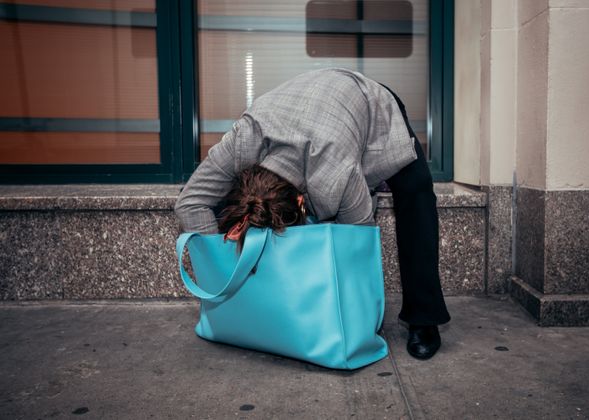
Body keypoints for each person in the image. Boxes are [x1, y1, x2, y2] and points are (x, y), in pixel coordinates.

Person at [175, 68, 451, 360]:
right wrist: (223, 274)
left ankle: (424, 317)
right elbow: (190, 204)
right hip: (301, 107)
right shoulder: (243, 140)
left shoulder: (337, 177)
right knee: (218, 205)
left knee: (416, 191)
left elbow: (358, 248)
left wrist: (359, 321)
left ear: (301, 201)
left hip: (371, 103)